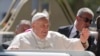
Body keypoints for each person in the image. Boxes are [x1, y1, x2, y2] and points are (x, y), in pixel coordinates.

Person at [7, 12, 89, 50]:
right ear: (33, 26)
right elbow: (11, 52)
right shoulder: (21, 39)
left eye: (47, 26)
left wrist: (83, 41)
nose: (45, 28)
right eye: (42, 25)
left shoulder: (55, 37)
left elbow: (72, 45)